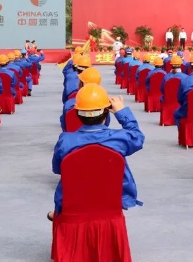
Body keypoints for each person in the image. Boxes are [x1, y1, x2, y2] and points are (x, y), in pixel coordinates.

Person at [48, 86, 144, 221]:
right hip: (111, 199)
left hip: (75, 201)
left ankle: (60, 212)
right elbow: (137, 137)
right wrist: (122, 112)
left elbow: (58, 169)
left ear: (77, 113)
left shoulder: (65, 141)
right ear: (106, 114)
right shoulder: (119, 139)